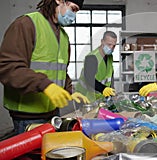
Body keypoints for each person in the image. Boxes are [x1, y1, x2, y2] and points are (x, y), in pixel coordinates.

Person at [0, 0, 89, 134]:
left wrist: (69, 90)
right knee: (30, 155)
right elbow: (9, 68)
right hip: (27, 117)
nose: (74, 15)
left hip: (53, 113)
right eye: (73, 9)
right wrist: (45, 85)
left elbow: (60, 71)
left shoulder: (63, 37)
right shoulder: (26, 24)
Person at [75, 31, 117, 103]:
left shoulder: (110, 57)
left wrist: (112, 90)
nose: (111, 48)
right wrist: (103, 89)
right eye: (109, 44)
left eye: (114, 45)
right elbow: (89, 79)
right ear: (102, 42)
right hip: (84, 97)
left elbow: (110, 75)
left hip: (99, 98)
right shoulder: (92, 57)